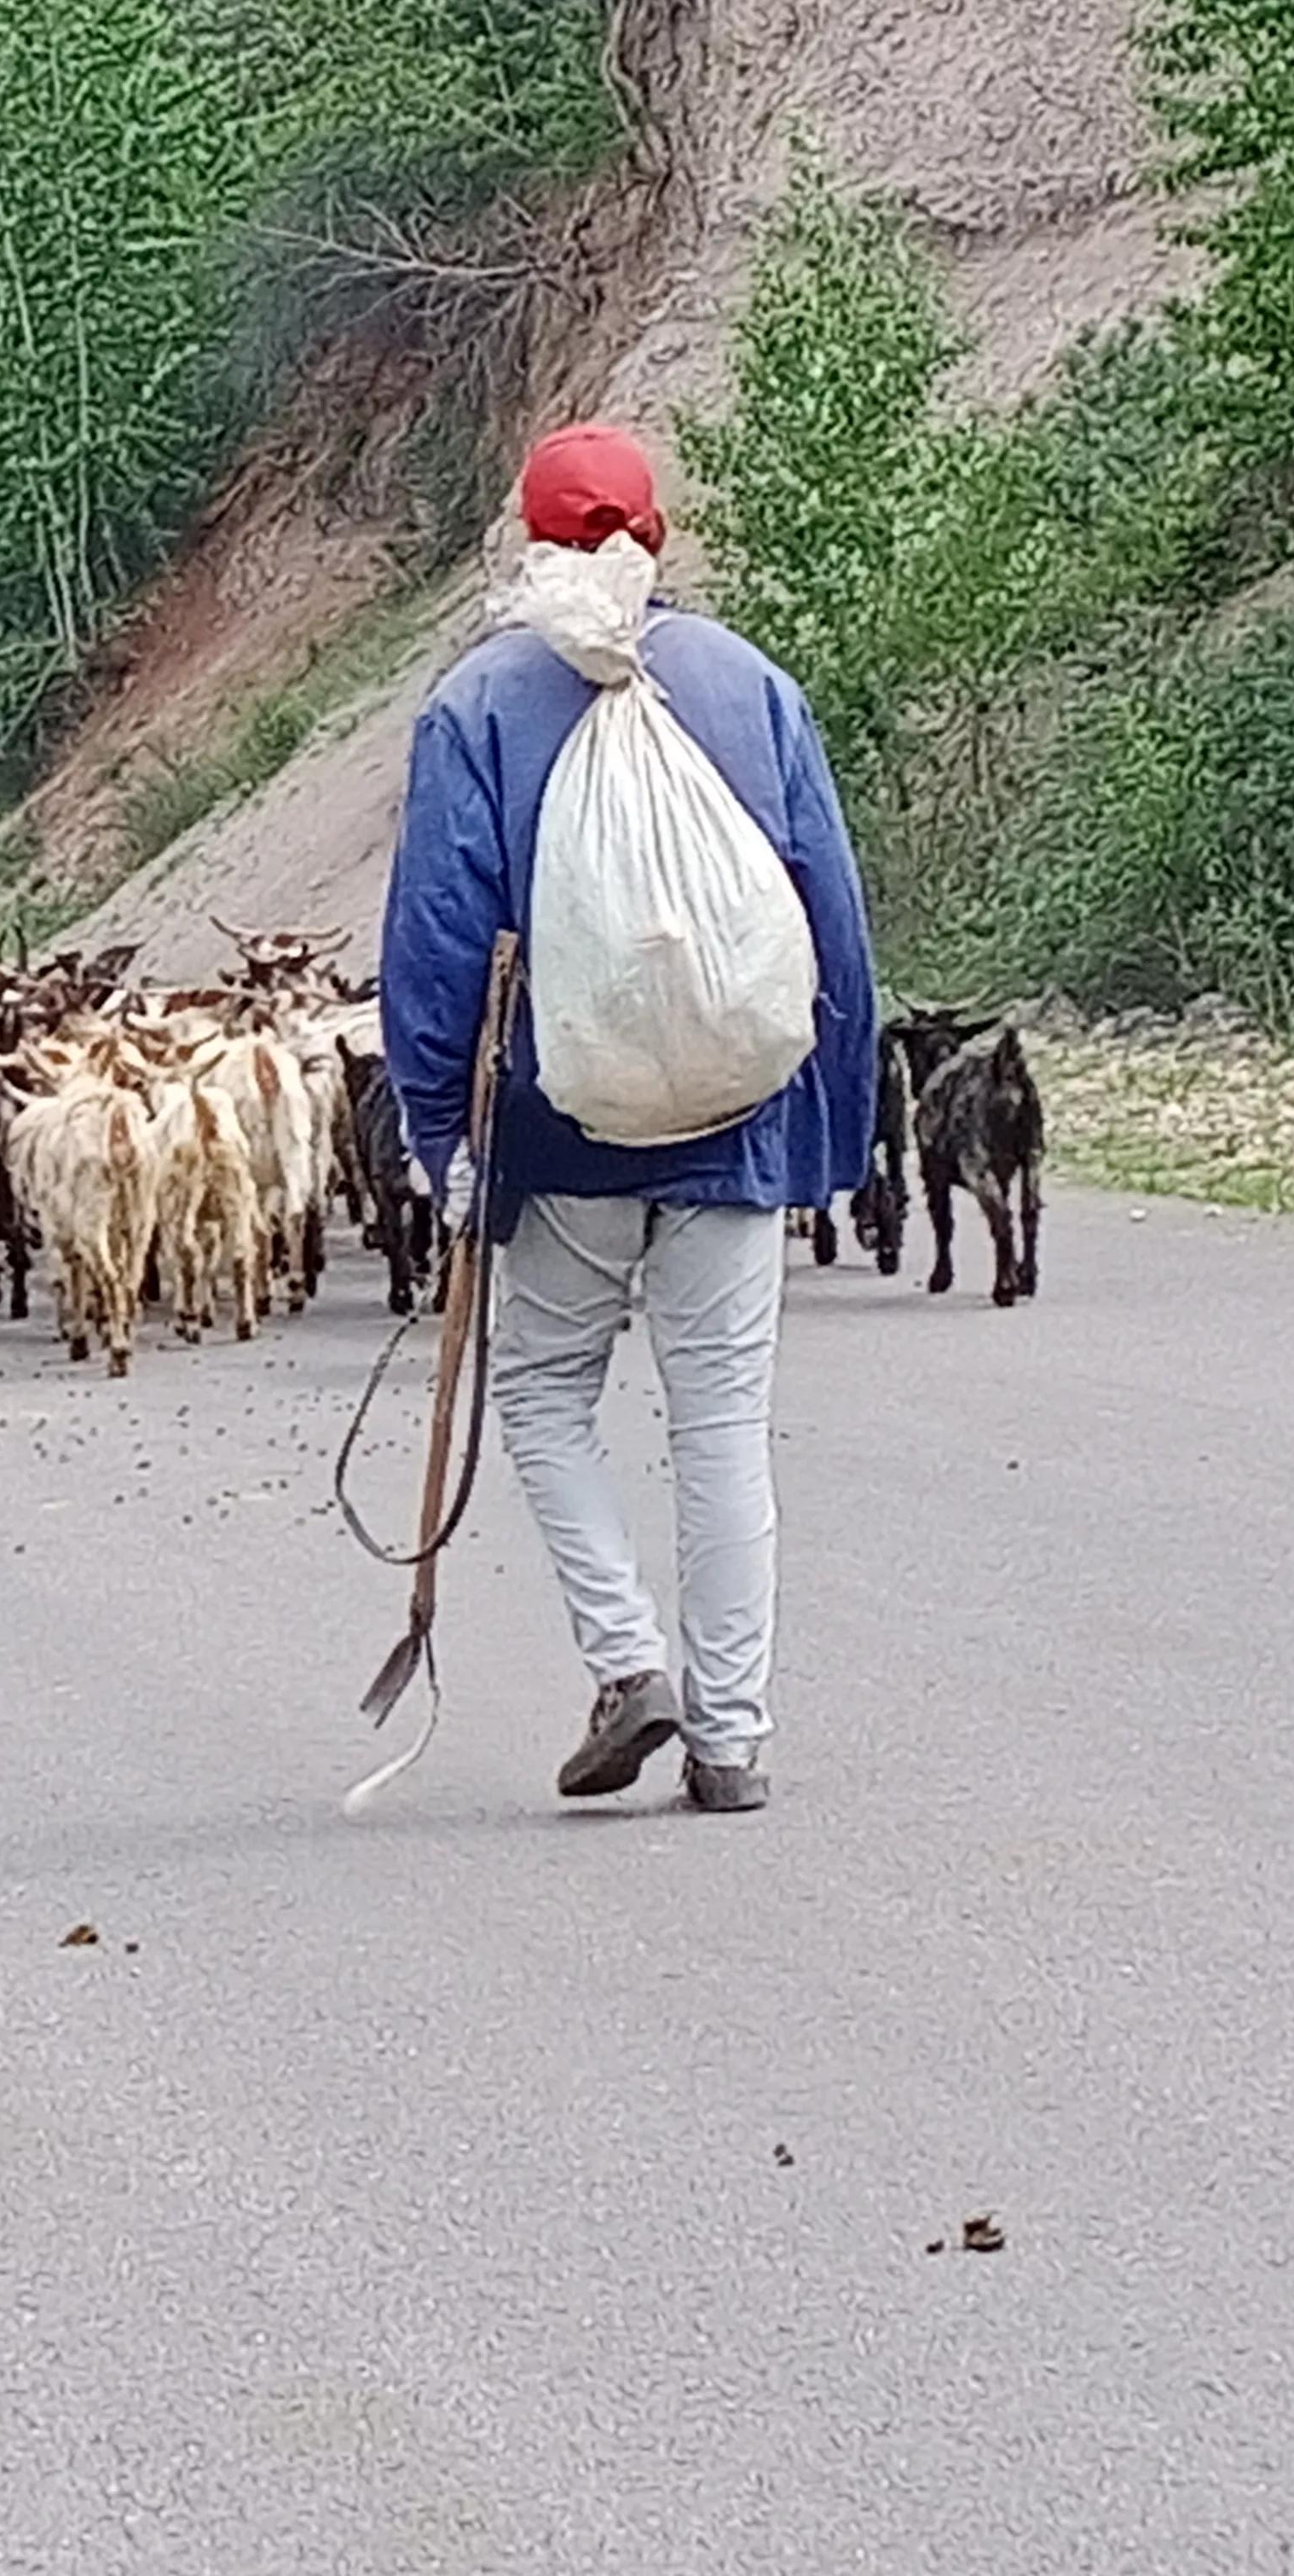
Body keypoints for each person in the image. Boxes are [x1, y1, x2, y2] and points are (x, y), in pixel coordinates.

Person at [378, 424, 878, 1812]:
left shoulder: (476, 707)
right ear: (657, 536)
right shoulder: (748, 686)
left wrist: (440, 1136)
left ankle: (625, 1661)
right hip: (733, 1121)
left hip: (558, 1134)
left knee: (542, 1392)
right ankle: (732, 1738)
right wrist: (829, 1128)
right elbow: (826, 913)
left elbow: (433, 942)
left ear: (535, 548)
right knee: (721, 1427)